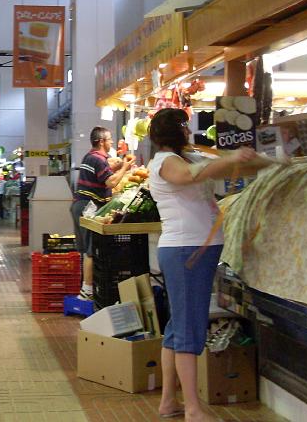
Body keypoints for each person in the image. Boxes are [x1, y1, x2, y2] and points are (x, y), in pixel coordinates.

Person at [148, 108, 271, 421]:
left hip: (193, 250)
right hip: (186, 251)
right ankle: (192, 408)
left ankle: (168, 402)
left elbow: (214, 173)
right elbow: (188, 177)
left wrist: (261, 161)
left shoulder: (188, 158)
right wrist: (230, 158)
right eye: (184, 127)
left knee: (178, 328)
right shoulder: (166, 163)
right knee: (188, 329)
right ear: (175, 132)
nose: (189, 132)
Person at [71, 126, 134, 301]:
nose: (112, 142)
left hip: (80, 205)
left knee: (86, 250)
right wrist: (125, 167)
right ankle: (87, 291)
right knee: (91, 251)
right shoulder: (98, 159)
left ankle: (86, 287)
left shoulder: (90, 156)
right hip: (87, 207)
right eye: (109, 139)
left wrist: (117, 167)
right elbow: (111, 183)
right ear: (101, 141)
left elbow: (102, 177)